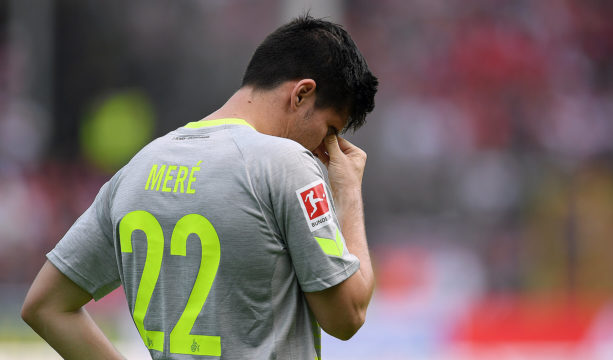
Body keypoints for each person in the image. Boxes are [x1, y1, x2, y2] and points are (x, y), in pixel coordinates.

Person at [21, 14, 378, 360]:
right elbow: (347, 317)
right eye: (330, 130)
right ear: (301, 94)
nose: (324, 149)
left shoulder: (137, 169)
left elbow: (45, 306)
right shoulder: (287, 164)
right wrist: (348, 194)